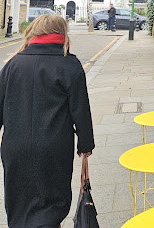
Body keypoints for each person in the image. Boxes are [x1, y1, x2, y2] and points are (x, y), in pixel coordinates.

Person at [0, 14, 95, 228]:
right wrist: (86, 144)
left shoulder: (13, 64)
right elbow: (81, 110)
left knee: (20, 206)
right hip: (54, 147)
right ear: (62, 34)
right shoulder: (69, 64)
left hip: (15, 148)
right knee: (51, 207)